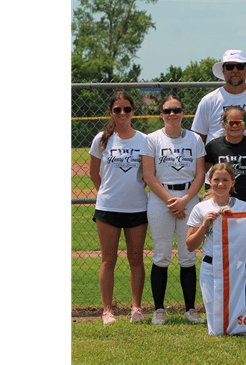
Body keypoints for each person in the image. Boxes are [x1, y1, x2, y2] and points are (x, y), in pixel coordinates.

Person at [141, 95, 206, 325]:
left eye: (176, 110)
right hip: (161, 199)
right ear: (161, 114)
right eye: (167, 111)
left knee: (188, 256)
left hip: (189, 197)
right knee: (161, 254)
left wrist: (186, 200)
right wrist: (172, 201)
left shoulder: (195, 139)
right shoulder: (152, 139)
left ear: (183, 113)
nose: (172, 114)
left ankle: (191, 309)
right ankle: (159, 309)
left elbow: (200, 174)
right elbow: (149, 175)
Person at [88, 91, 148, 325]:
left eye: (127, 109)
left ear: (133, 111)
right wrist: (105, 193)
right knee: (108, 259)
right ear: (111, 112)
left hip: (137, 208)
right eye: (117, 109)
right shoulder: (102, 138)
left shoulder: (144, 139)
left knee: (136, 259)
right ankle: (107, 311)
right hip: (108, 208)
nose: (122, 113)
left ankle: (136, 308)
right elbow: (94, 173)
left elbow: (148, 173)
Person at [185, 163, 246, 335]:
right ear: (209, 181)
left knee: (235, 314)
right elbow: (190, 245)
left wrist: (234, 219)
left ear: (233, 183)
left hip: (235, 266)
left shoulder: (242, 207)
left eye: (225, 180)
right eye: (216, 180)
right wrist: (204, 225)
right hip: (210, 266)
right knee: (215, 323)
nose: (220, 184)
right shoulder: (201, 208)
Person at [191, 49, 246, 144]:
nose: (235, 70)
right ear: (223, 70)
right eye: (230, 67)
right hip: (218, 158)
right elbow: (198, 139)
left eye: (240, 66)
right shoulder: (209, 101)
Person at [204, 105, 246, 207]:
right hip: (221, 200)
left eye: (239, 122)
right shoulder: (213, 146)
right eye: (230, 122)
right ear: (223, 124)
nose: (235, 126)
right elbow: (203, 172)